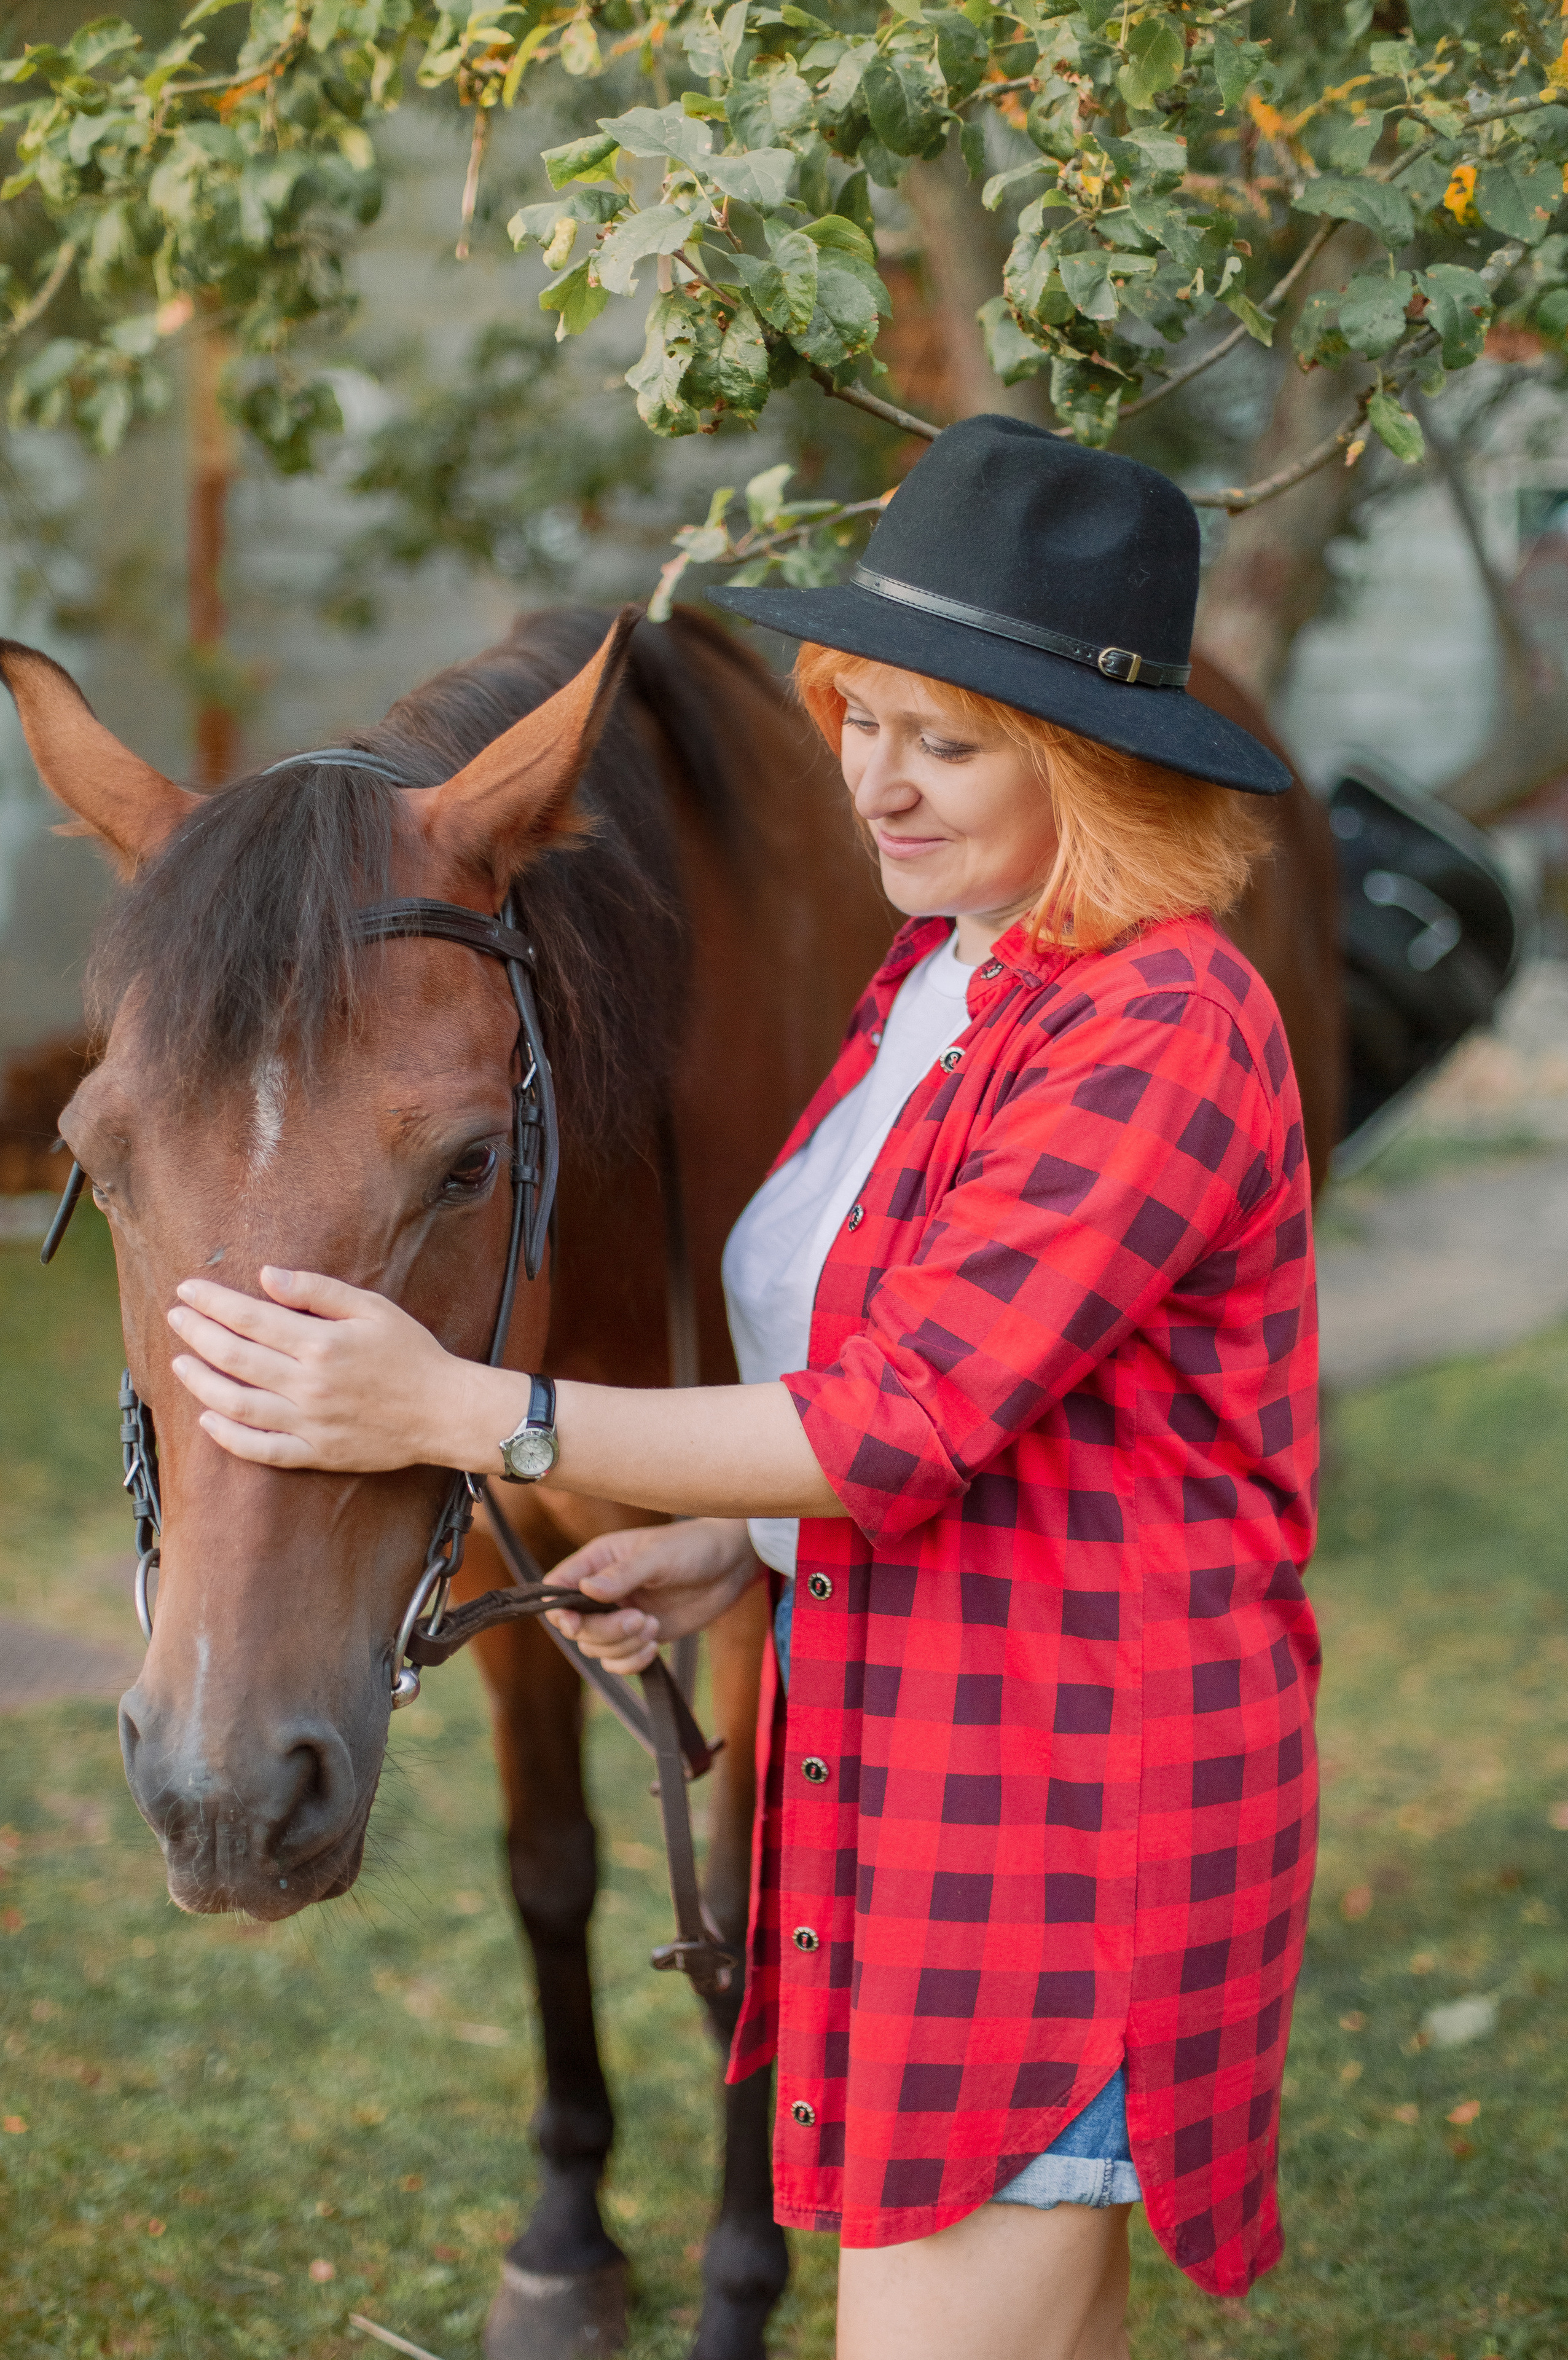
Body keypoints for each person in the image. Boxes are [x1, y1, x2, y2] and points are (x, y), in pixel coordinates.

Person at [167, 416, 1322, 2360]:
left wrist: (464, 1410)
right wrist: (734, 1543)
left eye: (942, 744)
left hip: (1054, 1814)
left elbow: (902, 1420)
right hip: (914, 1774)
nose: (869, 776)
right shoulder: (942, 981)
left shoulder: (1160, 1023)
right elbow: (931, 1400)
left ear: (1093, 765)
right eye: (858, 714)